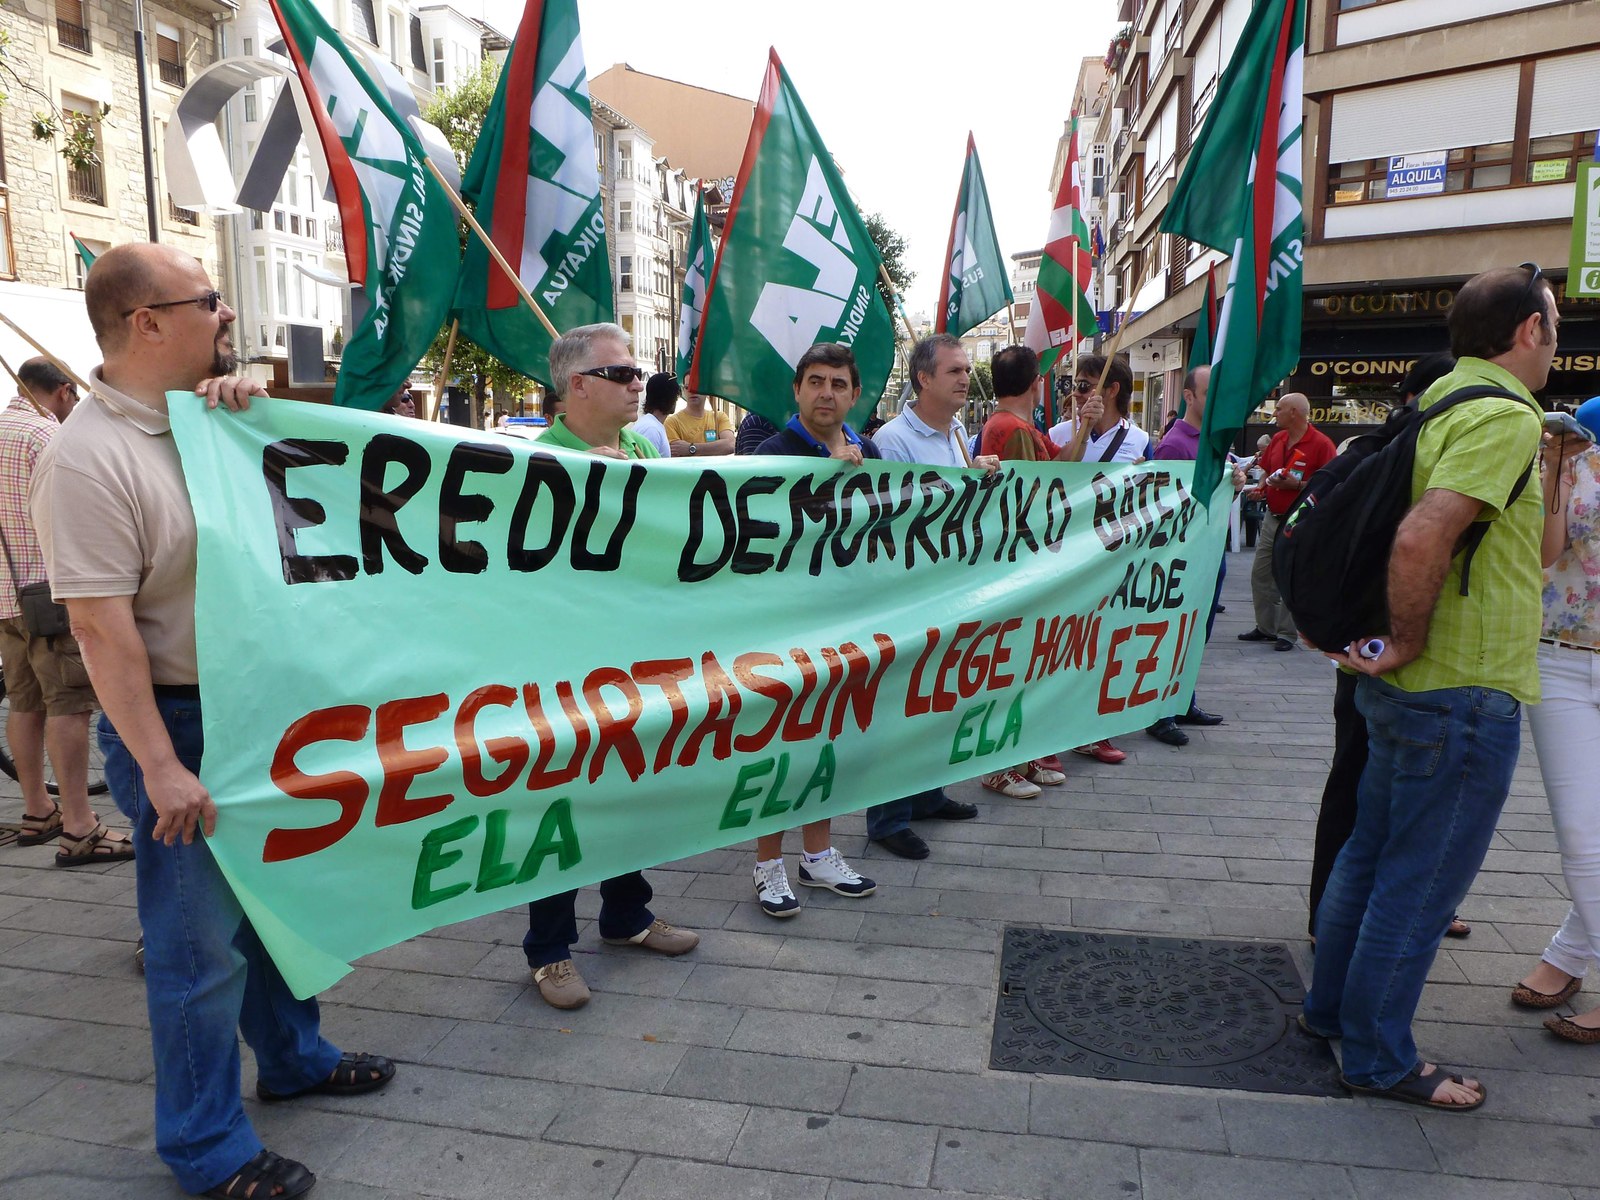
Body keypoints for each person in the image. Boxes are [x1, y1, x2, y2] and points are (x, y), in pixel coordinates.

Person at [31, 242, 396, 1199]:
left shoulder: (207, 418)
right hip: (182, 723)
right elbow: (102, 629)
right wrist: (155, 766)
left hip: (261, 710)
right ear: (145, 322)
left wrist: (245, 414)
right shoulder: (87, 459)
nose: (225, 314)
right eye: (209, 301)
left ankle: (295, 1058)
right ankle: (205, 1148)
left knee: (277, 918)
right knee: (195, 953)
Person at [1302, 263, 1555, 1111]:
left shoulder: (1441, 403)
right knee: (1419, 881)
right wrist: (1408, 639)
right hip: (1461, 691)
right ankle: (1376, 1057)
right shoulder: (1503, 417)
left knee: (1368, 855)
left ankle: (1330, 1012)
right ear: (1530, 331)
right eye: (1552, 323)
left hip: (1413, 694)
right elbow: (1421, 539)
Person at [523, 323, 700, 1006]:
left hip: (632, 660)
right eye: (624, 374)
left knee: (628, 788)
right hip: (563, 669)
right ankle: (548, 949)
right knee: (561, 802)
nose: (639, 384)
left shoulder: (636, 445)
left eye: (637, 372)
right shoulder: (540, 462)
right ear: (578, 385)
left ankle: (627, 914)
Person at [1306, 353, 1464, 938]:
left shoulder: (1366, 453)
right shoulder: (1401, 460)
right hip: (1389, 650)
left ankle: (1338, 912)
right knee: (1382, 790)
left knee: (1360, 781)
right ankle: (1346, 913)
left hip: (1361, 649)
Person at [751, 344, 879, 914]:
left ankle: (819, 855)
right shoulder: (769, 452)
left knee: (826, 741)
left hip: (844, 624)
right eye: (816, 382)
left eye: (839, 384)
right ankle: (767, 865)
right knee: (779, 747)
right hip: (780, 628)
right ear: (797, 391)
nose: (827, 393)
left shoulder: (868, 451)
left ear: (854, 395)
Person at [861, 334, 993, 857]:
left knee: (938, 695)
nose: (965, 378)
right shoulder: (894, 442)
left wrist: (975, 478)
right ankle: (888, 818)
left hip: (951, 589)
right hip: (907, 595)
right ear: (923, 379)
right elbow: (893, 519)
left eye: (966, 369)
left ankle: (927, 794)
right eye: (954, 370)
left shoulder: (959, 432)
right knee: (898, 705)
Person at [0, 358, 132, 865]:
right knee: (69, 705)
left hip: (5, 598)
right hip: (48, 595)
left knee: (23, 702)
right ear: (62, 391)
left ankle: (38, 809)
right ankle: (79, 825)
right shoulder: (43, 436)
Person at [1511, 392, 1600, 1041]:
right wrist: (1554, 470)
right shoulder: (1585, 423)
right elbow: (1545, 551)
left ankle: (1570, 953)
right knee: (1581, 831)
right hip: (1564, 655)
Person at [1144, 364, 1225, 747]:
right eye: (1208, 394)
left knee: (1197, 633)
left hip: (1209, 552)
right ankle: (1160, 713)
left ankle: (1182, 700)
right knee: (1177, 632)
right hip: (1186, 558)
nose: (1214, 402)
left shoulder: (1210, 440)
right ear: (1188, 396)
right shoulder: (1175, 444)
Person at [1238, 393, 1334, 650]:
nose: (1275, 413)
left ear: (1294, 412)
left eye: (1279, 409)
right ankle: (1266, 627)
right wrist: (1261, 487)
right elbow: (1268, 470)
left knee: (1290, 576)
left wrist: (1298, 485)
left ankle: (1286, 634)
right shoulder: (1278, 439)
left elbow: (1333, 483)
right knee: (1261, 572)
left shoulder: (1321, 444)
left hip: (1301, 520)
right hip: (1274, 515)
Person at [1046, 352, 1150, 465]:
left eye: (1083, 386)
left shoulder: (1141, 440)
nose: (1075, 394)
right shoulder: (1056, 434)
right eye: (1075, 386)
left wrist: (1140, 477)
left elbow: (1155, 480)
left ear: (1112, 390)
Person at [665, 387, 735, 458]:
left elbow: (730, 444)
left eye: (697, 386)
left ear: (706, 391)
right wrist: (716, 447)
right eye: (687, 387)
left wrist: (691, 448)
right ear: (683, 391)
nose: (692, 391)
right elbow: (676, 452)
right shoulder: (671, 422)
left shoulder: (719, 417)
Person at [631, 372, 676, 458]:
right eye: (675, 396)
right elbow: (649, 468)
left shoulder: (652, 425)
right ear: (670, 398)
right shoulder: (651, 429)